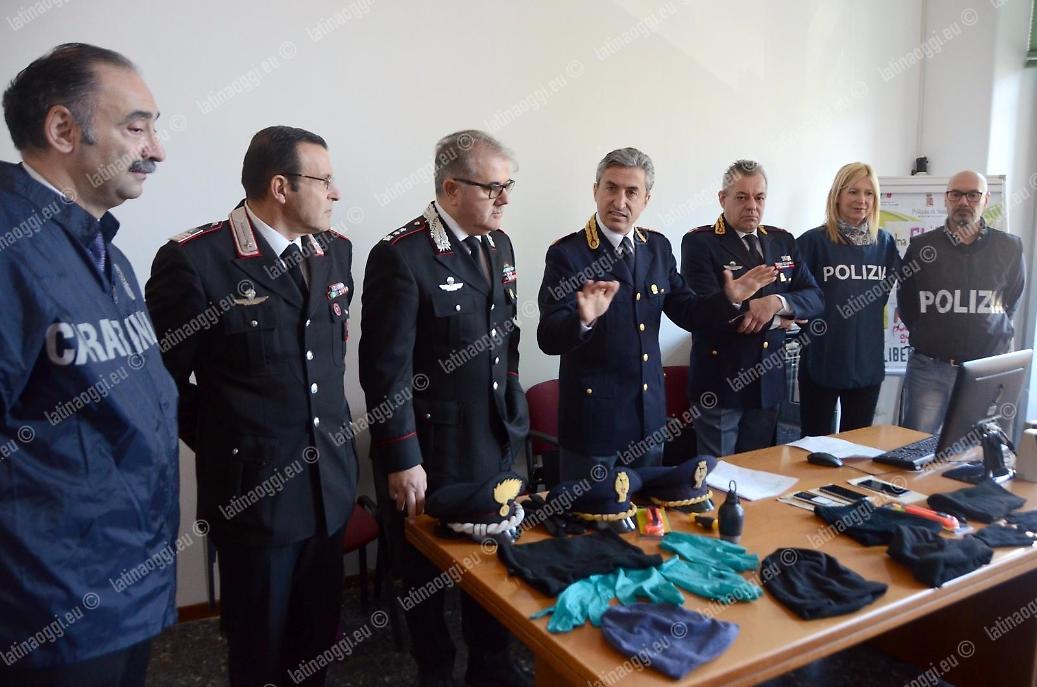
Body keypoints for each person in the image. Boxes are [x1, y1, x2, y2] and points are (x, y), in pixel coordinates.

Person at [145, 126, 358, 686]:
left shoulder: (334, 251)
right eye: (325, 181)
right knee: (259, 651)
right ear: (281, 187)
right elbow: (156, 385)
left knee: (317, 645)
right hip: (255, 501)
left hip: (328, 489)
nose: (336, 193)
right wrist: (227, 441)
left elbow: (325, 367)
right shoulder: (198, 260)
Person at [0, 44, 176, 686]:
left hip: (124, 589)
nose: (157, 150)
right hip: (48, 610)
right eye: (136, 127)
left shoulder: (107, 254)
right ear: (62, 129)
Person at [358, 130, 529, 687]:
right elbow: (385, 372)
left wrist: (513, 411)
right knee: (427, 579)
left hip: (493, 442)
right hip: (432, 453)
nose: (505, 199)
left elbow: (506, 340)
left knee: (493, 565)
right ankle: (435, 673)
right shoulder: (401, 255)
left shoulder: (498, 245)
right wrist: (402, 457)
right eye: (493, 188)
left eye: (508, 186)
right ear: (451, 189)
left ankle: (491, 668)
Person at [537, 148, 775, 481]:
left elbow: (688, 312)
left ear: (646, 199)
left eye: (632, 192)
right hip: (594, 423)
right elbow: (548, 337)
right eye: (611, 188)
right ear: (596, 191)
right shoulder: (569, 254)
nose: (620, 201)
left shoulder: (657, 248)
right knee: (592, 511)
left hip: (648, 419)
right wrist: (582, 319)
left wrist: (729, 300)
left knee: (648, 511)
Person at [681, 160, 824, 456]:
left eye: (759, 198)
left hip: (768, 382)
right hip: (721, 383)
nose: (752, 206)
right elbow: (702, 311)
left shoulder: (782, 240)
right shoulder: (700, 242)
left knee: (758, 470)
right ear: (723, 198)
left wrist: (776, 303)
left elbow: (814, 298)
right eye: (742, 197)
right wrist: (782, 320)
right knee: (719, 474)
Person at [897, 170, 1025, 434]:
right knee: (916, 444)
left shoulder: (1010, 247)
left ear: (986, 200)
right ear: (946, 199)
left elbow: (1011, 301)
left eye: (973, 195)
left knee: (980, 448)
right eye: (956, 194)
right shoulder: (921, 247)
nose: (964, 201)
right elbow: (908, 303)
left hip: (986, 369)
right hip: (930, 369)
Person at [795, 162, 900, 436]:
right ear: (837, 196)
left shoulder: (885, 244)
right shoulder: (812, 242)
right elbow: (797, 299)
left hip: (867, 361)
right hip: (821, 358)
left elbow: (882, 297)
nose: (861, 200)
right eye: (853, 191)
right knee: (814, 446)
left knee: (857, 446)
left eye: (869, 193)